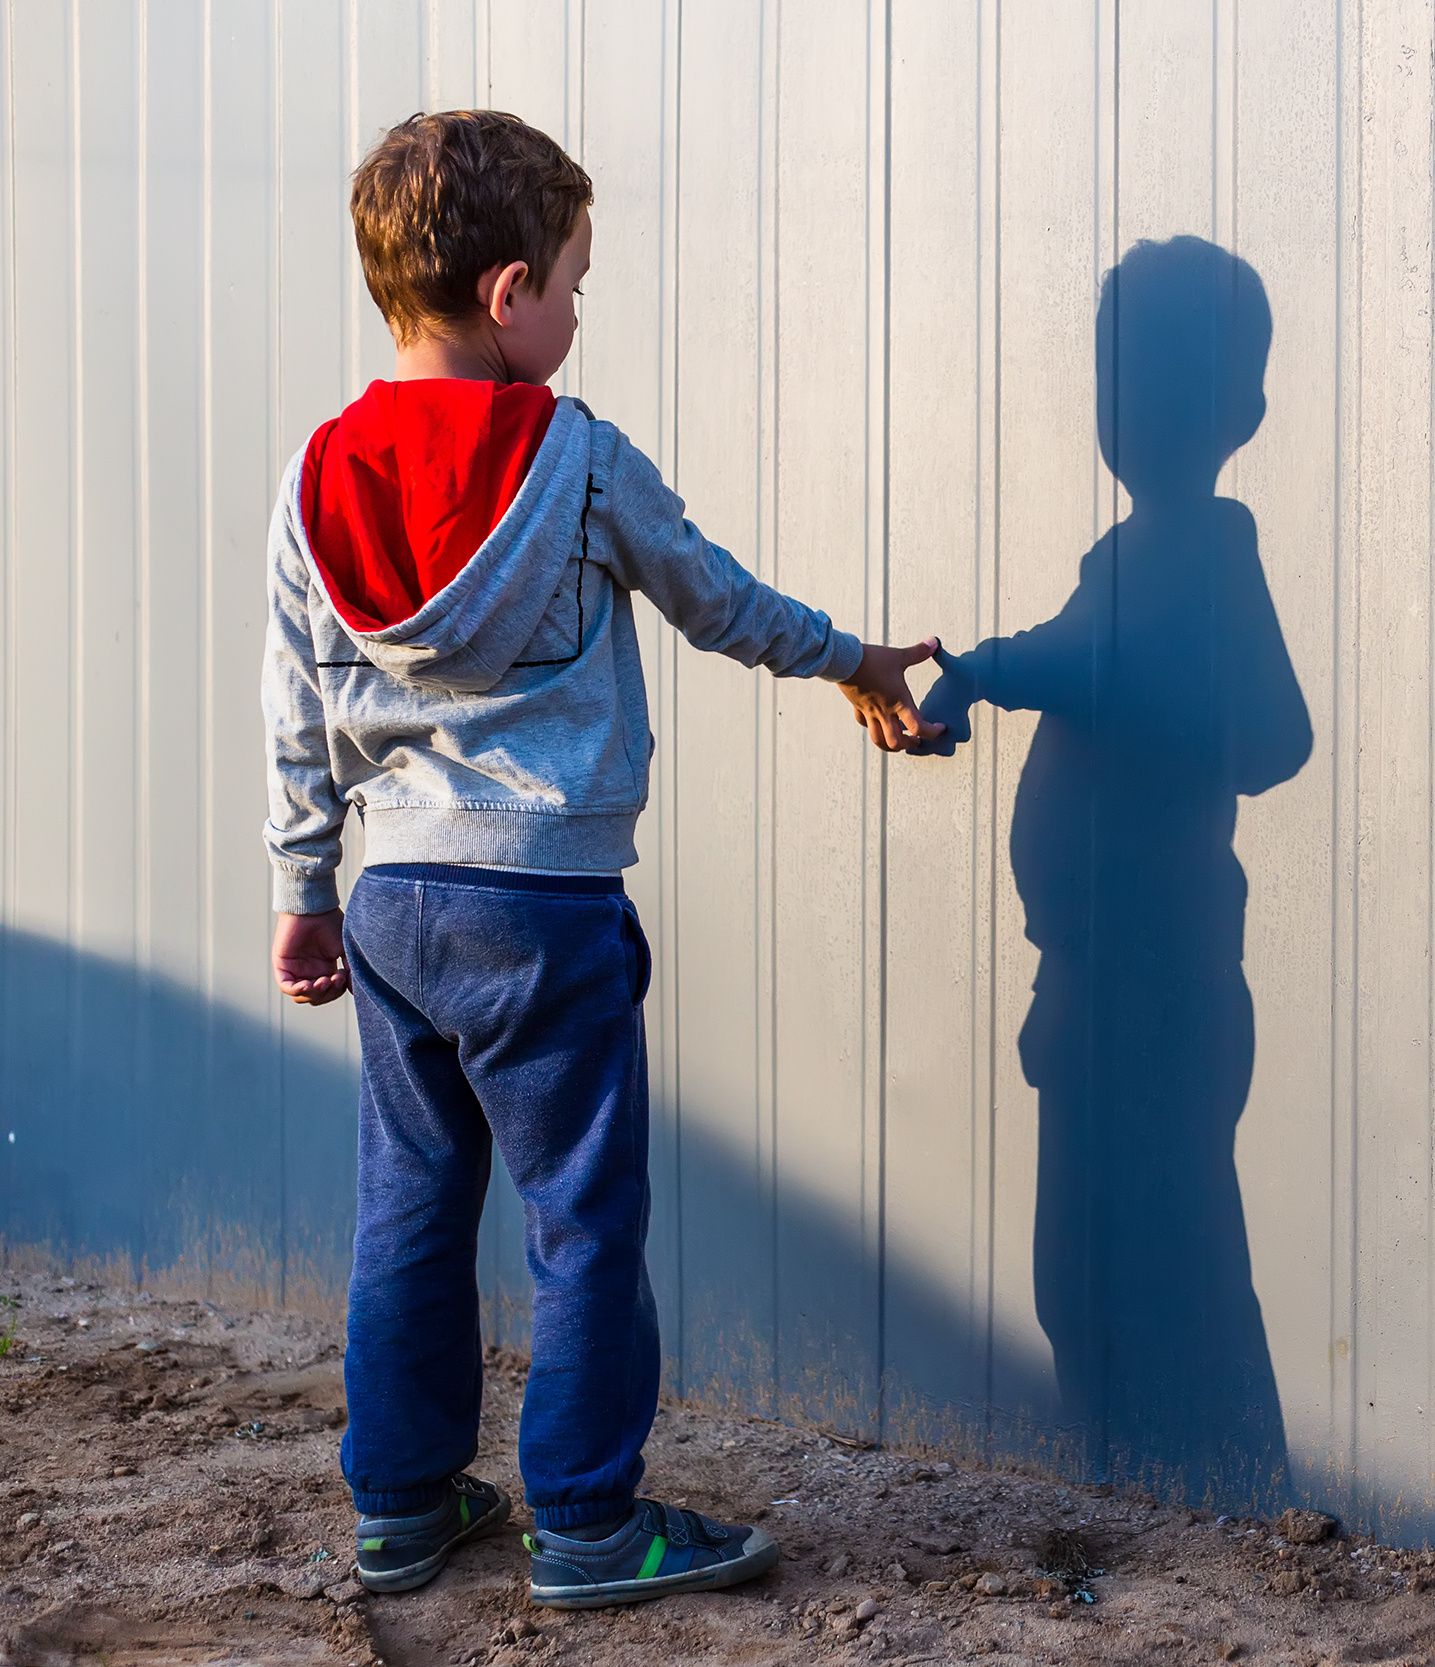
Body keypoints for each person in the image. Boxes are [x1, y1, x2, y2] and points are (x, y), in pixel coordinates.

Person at [260, 109, 940, 1609]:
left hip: (392, 902)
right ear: (508, 295)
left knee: (410, 1203)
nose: (577, 309)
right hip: (542, 905)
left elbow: (295, 702)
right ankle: (582, 1517)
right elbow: (713, 594)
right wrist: (850, 658)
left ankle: (401, 1500)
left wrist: (304, 887)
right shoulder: (571, 456)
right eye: (573, 280)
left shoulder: (319, 474)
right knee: (581, 1213)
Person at [921, 236, 1310, 1504]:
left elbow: (1268, 731)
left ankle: (1225, 1494)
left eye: (1144, 379)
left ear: (1235, 413)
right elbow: (1080, 647)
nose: (1121, 408)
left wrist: (1009, 669)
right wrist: (989, 666)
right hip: (1100, 978)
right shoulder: (1134, 559)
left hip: (1157, 977)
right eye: (1113, 378)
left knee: (1157, 1256)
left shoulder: (1204, 553)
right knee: (1096, 1262)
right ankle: (1156, 1480)